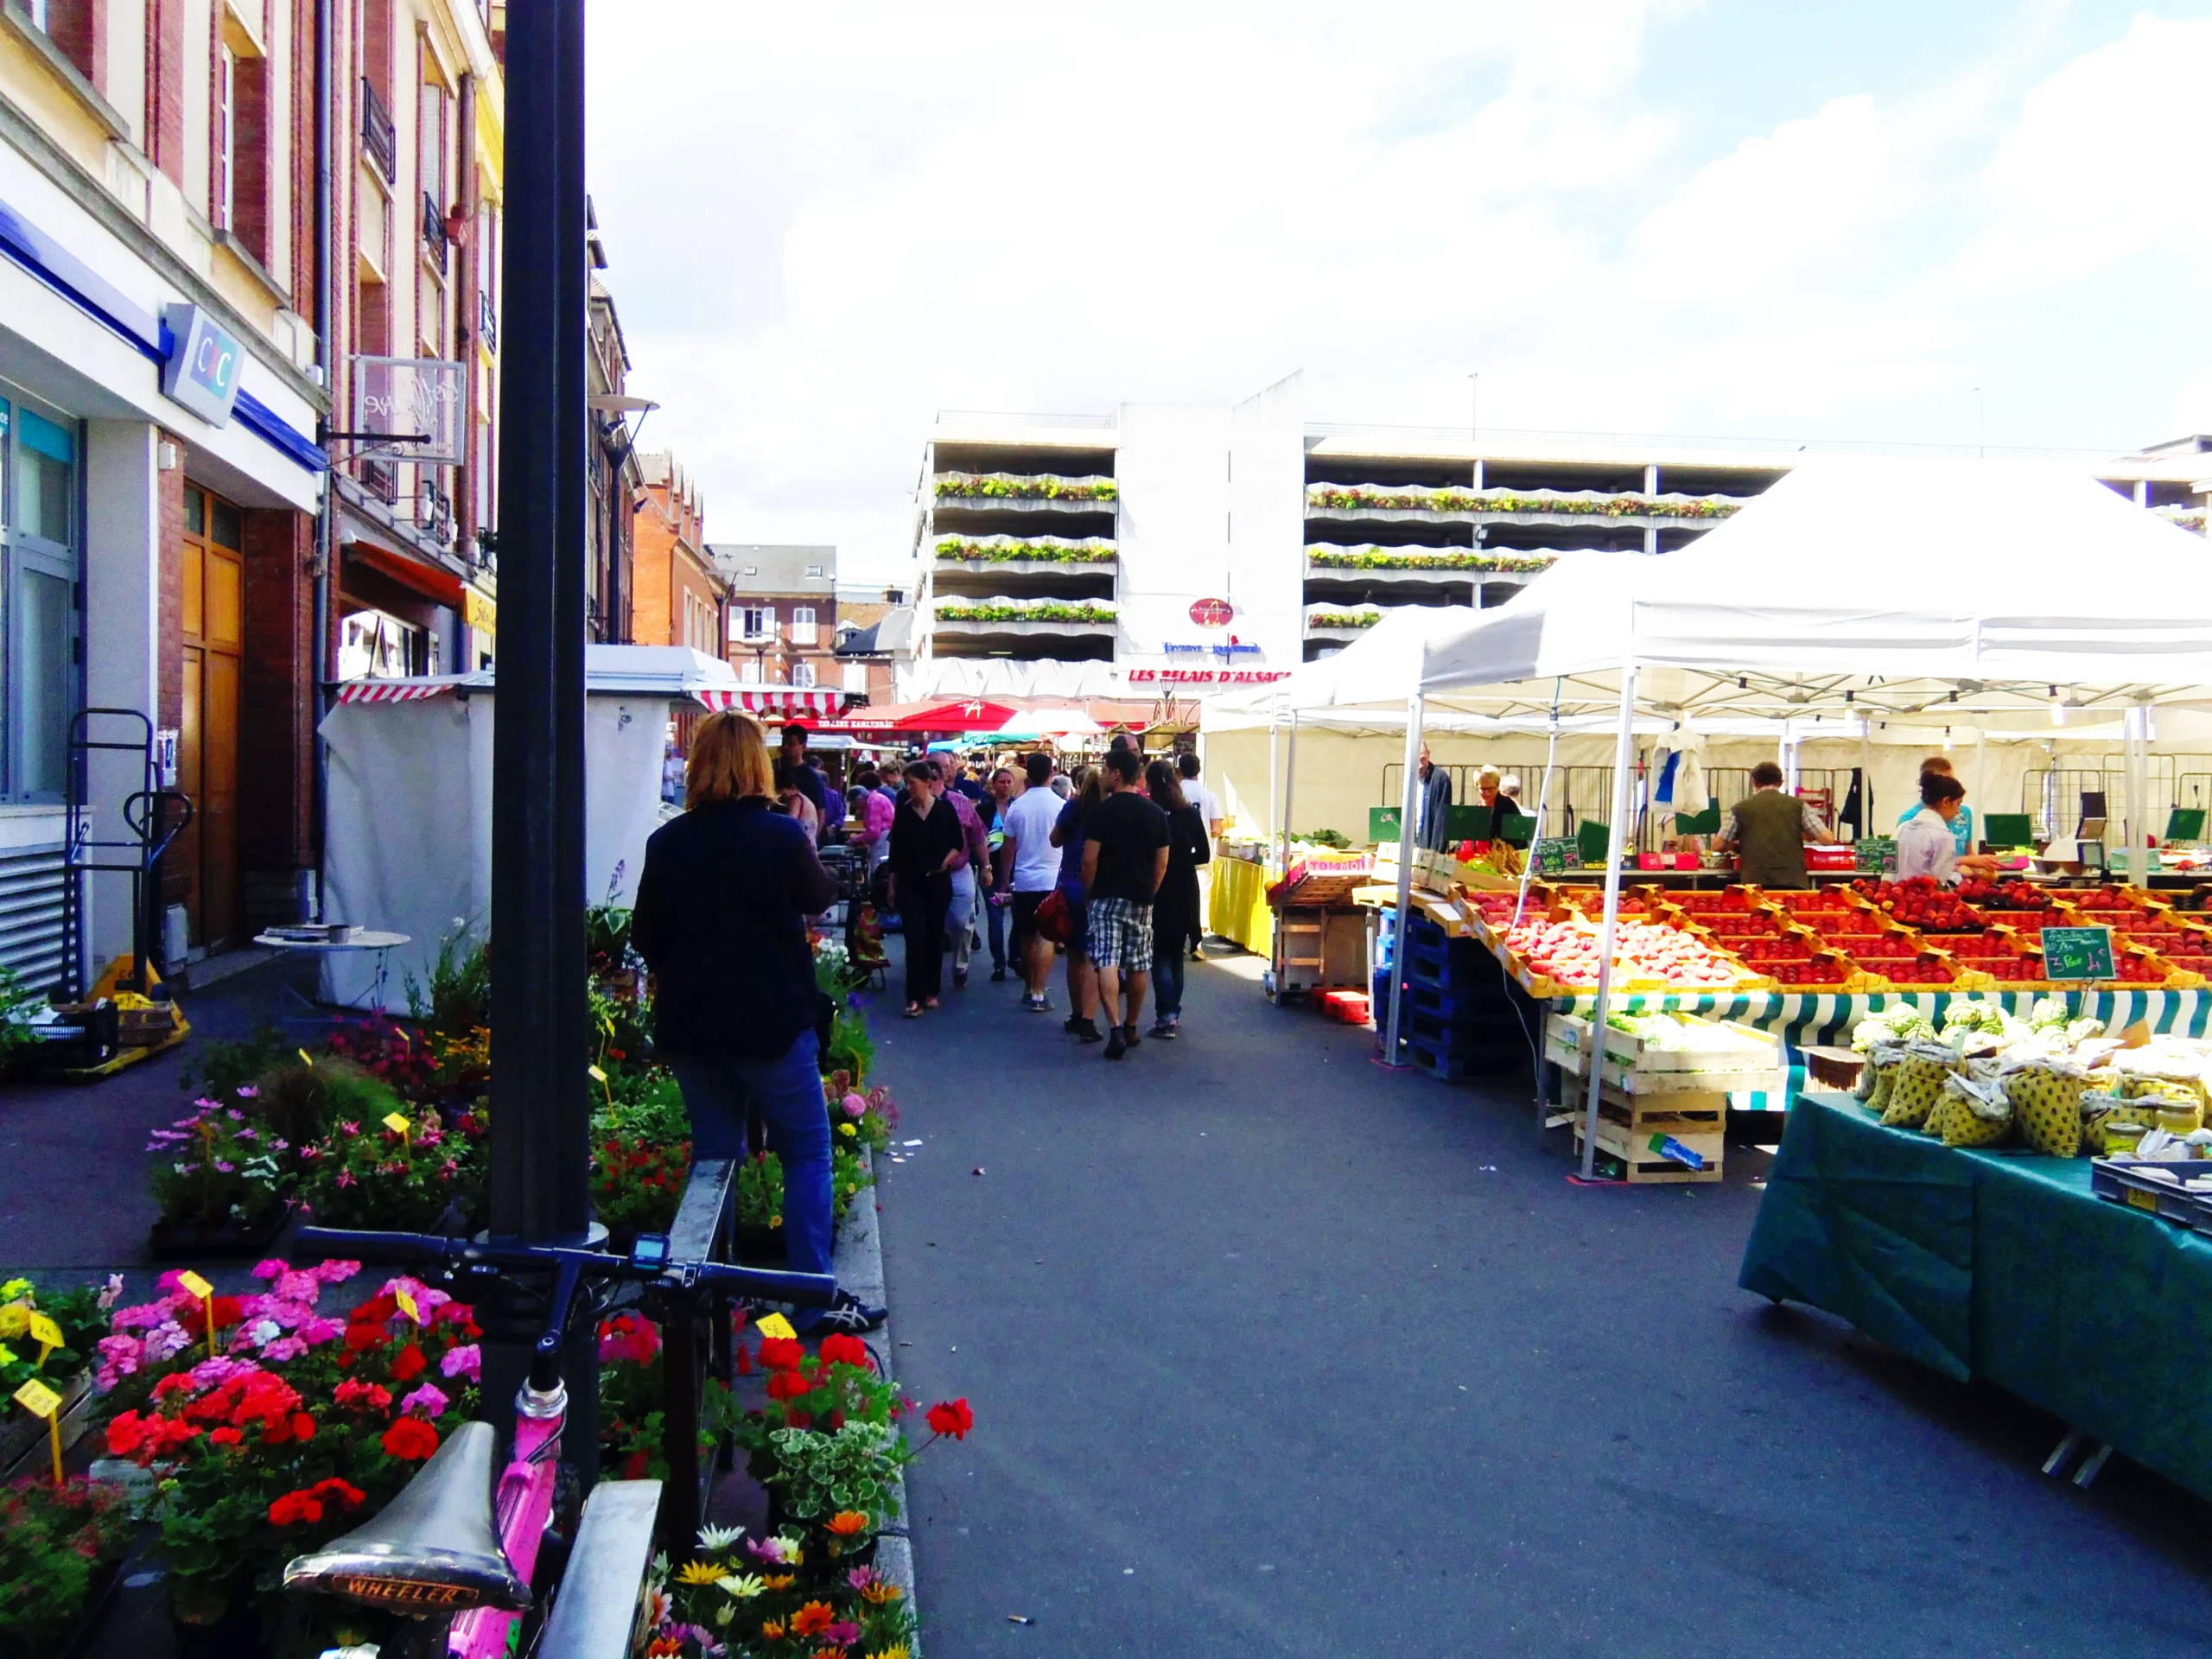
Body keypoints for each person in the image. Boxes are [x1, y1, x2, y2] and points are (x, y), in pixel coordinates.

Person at [630, 711, 882, 1335]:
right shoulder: (777, 836)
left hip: (692, 1024)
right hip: (769, 1021)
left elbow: (645, 935)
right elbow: (821, 895)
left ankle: (706, 1290)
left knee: (715, 1157)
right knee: (806, 1151)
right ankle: (810, 1297)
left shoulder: (669, 841)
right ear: (756, 766)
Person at [1083, 748, 1171, 1060]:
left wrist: (1090, 892)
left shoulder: (1101, 812)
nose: (1103, 775)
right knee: (1138, 963)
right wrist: (1152, 890)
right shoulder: (1155, 813)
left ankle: (1116, 1027)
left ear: (1117, 773)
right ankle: (1133, 1026)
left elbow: (1090, 859)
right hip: (1141, 896)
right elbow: (1162, 861)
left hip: (1107, 894)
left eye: (1106, 770)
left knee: (1106, 959)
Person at [886, 758, 963, 1016]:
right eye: (906, 783)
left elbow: (958, 843)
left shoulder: (944, 810)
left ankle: (932, 989)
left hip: (937, 882)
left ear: (928, 783)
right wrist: (891, 885)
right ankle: (913, 996)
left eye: (913, 783)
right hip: (910, 882)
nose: (909, 787)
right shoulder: (905, 812)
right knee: (913, 936)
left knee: (932, 936)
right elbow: (895, 851)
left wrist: (946, 861)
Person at [1144, 760, 1210, 1039]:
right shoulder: (1188, 812)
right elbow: (1204, 854)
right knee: (1176, 952)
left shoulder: (1149, 812)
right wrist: (1183, 859)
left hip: (1156, 886)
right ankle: (1173, 1013)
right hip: (1185, 885)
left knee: (1159, 951)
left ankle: (1165, 1015)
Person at [1001, 752, 1065, 1013]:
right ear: (1051, 774)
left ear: (1027, 774)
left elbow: (1008, 847)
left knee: (1026, 936)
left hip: (1025, 879)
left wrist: (1005, 880)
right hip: (1053, 879)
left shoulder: (1017, 806)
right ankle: (1039, 992)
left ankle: (1029, 988)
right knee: (1046, 937)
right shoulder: (1060, 805)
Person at [1714, 760, 1834, 888]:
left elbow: (1718, 845)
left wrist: (1736, 843)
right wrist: (1804, 835)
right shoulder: (1799, 806)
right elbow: (1827, 839)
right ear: (1781, 782)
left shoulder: (1740, 808)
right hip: (1793, 881)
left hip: (1754, 882)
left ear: (1754, 782)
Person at [1052, 766, 1107, 1041]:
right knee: (1095, 957)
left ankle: (1076, 1014)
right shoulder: (1110, 810)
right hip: (1102, 885)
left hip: (1072, 882)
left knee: (1075, 955)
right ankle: (1088, 1017)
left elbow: (1054, 839)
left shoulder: (1074, 807)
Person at [936, 757, 989, 988]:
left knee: (961, 921)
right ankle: (927, 975)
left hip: (958, 870)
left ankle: (960, 965)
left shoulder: (961, 802)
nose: (945, 771)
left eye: (948, 766)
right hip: (926, 873)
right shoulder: (911, 802)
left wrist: (986, 866)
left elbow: (978, 837)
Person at [1897, 772, 2002, 883]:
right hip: (1926, 896)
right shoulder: (1943, 836)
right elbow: (1943, 880)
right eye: (1958, 804)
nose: (1958, 811)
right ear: (1946, 802)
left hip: (1898, 894)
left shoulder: (1902, 828)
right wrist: (1972, 874)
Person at [1176, 752, 1221, 959]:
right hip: (1203, 852)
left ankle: (1178, 940)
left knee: (1177, 894)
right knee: (1201, 895)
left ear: (1179, 770)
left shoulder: (1175, 793)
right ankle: (1198, 944)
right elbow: (1217, 827)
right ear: (1199, 770)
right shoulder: (1209, 794)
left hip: (1178, 851)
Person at [1898, 755, 1977, 859]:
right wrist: (1967, 864)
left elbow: (1969, 851)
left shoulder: (1965, 813)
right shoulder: (1908, 820)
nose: (1950, 786)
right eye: (1943, 782)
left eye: (1952, 780)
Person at [980, 766, 1016, 981]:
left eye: (1009, 782)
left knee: (1020, 918)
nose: (1005, 785)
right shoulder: (984, 809)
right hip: (991, 870)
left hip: (1015, 871)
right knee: (995, 918)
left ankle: (1015, 957)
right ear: (993, 785)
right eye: (1001, 781)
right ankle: (999, 963)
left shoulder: (1018, 807)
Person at [777, 722, 829, 830]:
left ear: (803, 747)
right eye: (784, 743)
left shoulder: (812, 778)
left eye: (790, 744)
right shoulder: (773, 769)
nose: (785, 747)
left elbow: (820, 813)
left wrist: (812, 841)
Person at [1415, 743, 1453, 851]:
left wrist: (1436, 850)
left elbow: (1442, 818)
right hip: (1413, 839)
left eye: (1422, 759)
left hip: (1429, 841)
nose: (1420, 765)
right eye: (1415, 761)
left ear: (1428, 755)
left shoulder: (1440, 778)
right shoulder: (1409, 778)